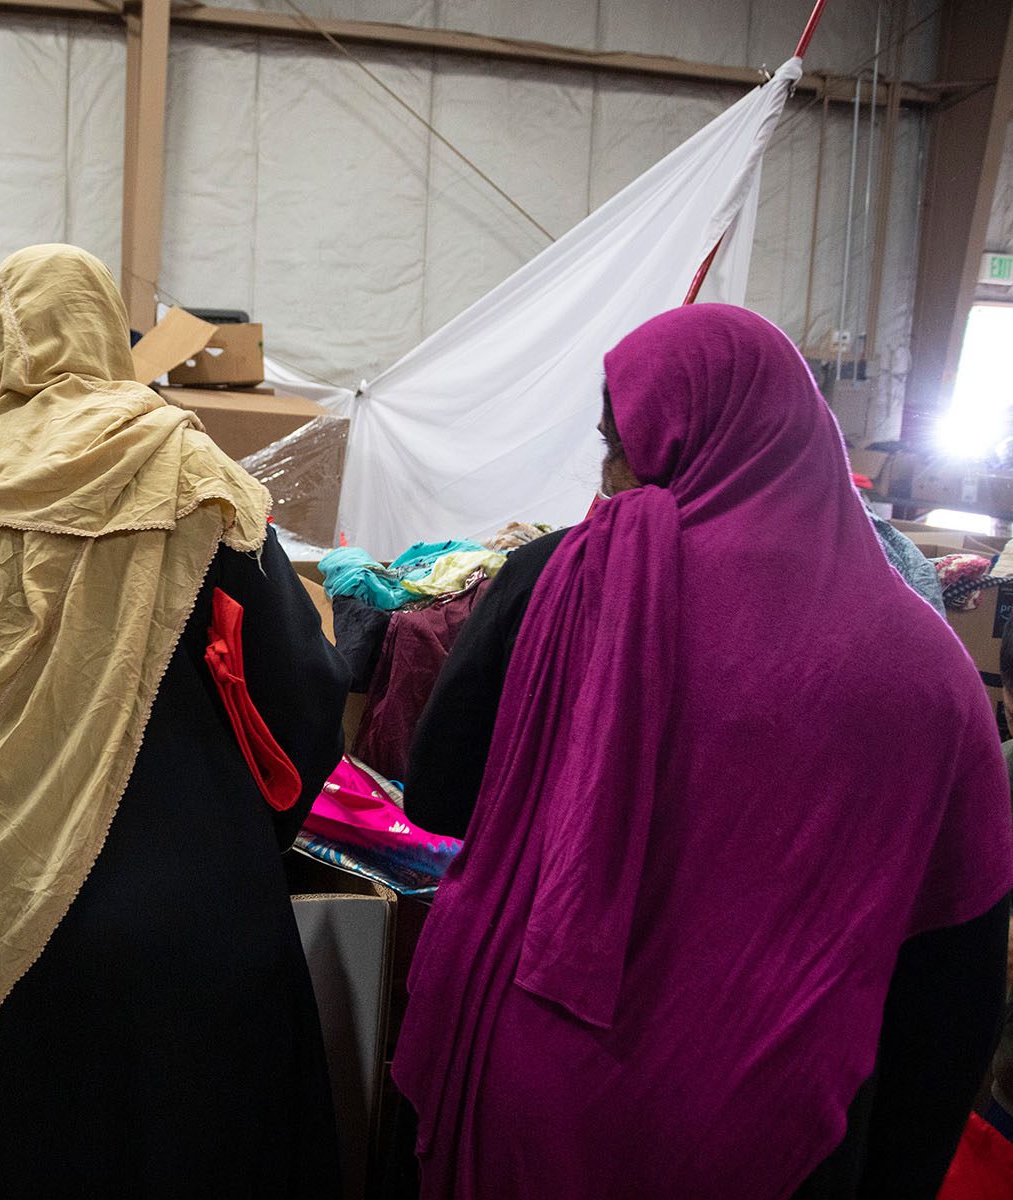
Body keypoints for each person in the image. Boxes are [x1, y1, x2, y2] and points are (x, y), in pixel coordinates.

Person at [392, 304, 1013, 1199]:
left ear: (679, 442)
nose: (605, 478)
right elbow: (954, 984)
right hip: (774, 1126)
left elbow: (439, 795)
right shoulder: (927, 668)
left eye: (619, 446)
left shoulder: (558, 583)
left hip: (540, 1090)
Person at [0, 245, 349, 1196]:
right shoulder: (177, 468)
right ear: (102, 334)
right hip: (180, 923)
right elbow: (301, 692)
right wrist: (235, 832)